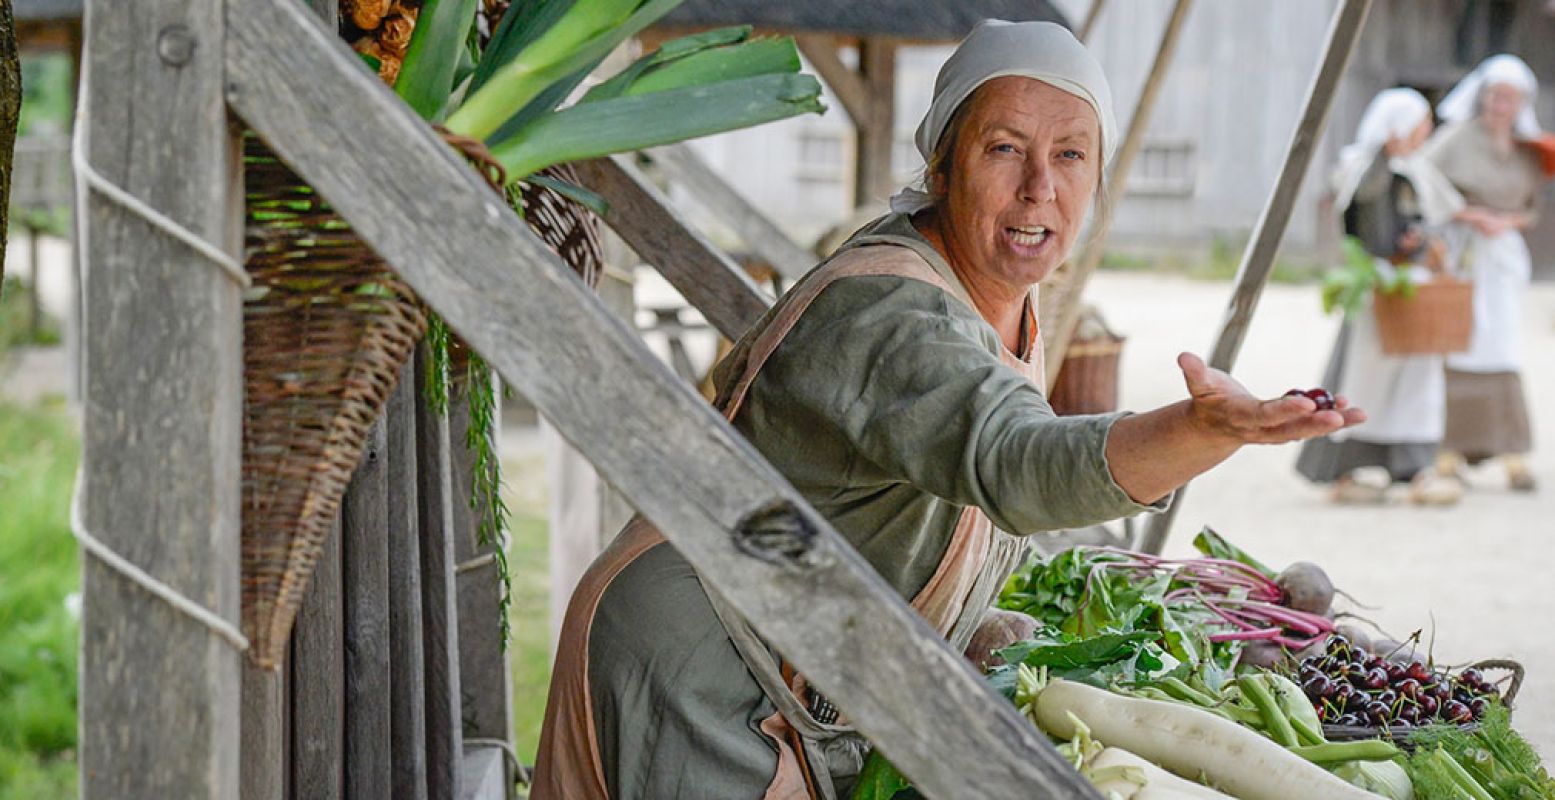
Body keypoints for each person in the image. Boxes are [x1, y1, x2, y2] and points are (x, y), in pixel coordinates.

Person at [530, 21, 1364, 800]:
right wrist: (1204, 429)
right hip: (698, 664)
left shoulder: (997, 304)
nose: (1040, 187)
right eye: (1004, 149)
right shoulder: (889, 314)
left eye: (1070, 154)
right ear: (939, 168)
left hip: (786, 655)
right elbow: (1015, 462)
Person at [1296, 88, 1466, 504]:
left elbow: (1438, 218)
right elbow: (1364, 211)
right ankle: (1347, 470)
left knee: (1417, 382)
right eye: (1419, 123)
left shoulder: (1417, 170)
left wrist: (1422, 243)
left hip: (1415, 289)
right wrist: (1382, 157)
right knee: (1362, 379)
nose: (1426, 131)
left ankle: (1414, 469)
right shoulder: (1363, 168)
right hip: (1376, 290)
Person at [1424, 54, 1544, 492]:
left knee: (1504, 345)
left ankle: (1510, 449)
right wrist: (1469, 215)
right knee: (1461, 343)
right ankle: (1449, 449)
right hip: (1464, 250)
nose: (1501, 105)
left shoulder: (1524, 148)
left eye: (1510, 98)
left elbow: (1531, 207)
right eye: (1496, 95)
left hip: (1504, 256)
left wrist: (1506, 223)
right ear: (1483, 95)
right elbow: (1423, 180)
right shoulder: (1456, 139)